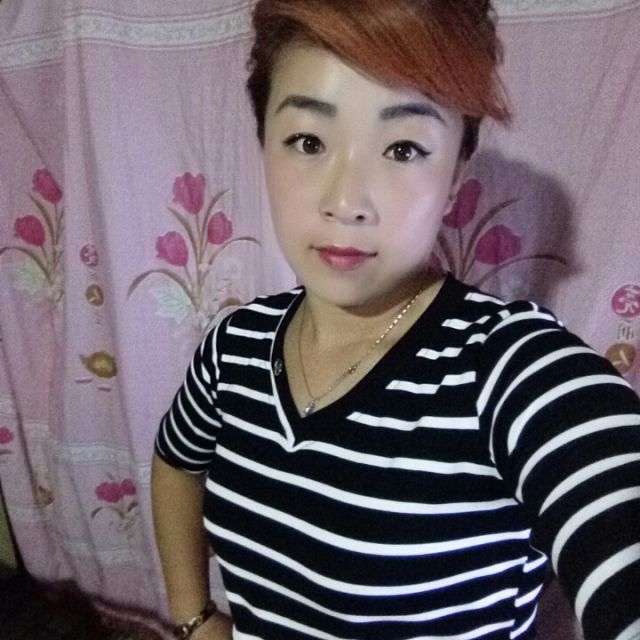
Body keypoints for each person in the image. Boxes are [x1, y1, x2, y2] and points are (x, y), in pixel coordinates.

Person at [151, 1, 640, 639]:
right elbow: (176, 462)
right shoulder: (234, 347)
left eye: (404, 148)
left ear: (456, 176)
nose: (346, 200)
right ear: (264, 145)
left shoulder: (505, 371)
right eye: (308, 141)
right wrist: (195, 618)